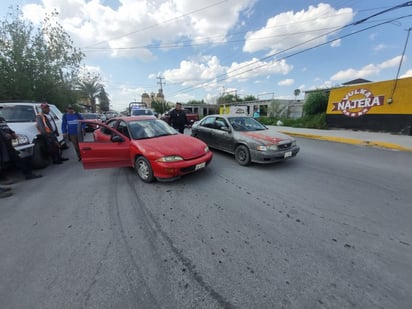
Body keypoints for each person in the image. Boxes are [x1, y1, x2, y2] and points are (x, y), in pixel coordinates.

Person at [0, 116, 42, 182]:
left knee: (18, 159)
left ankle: (28, 174)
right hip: (2, 145)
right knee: (3, 163)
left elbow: (7, 128)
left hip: (8, 144)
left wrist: (12, 133)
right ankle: (4, 180)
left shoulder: (2, 119)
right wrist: (5, 135)